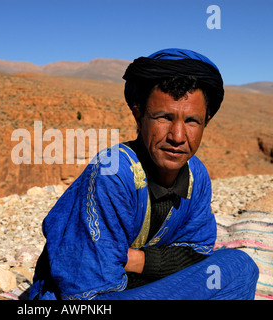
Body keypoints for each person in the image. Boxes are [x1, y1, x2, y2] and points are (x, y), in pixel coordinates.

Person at [29, 48, 259, 300]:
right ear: (139, 116)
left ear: (207, 121)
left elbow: (196, 251)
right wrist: (161, 268)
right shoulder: (113, 173)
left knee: (240, 265)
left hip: (142, 287)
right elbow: (91, 285)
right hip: (91, 299)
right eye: (164, 117)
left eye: (192, 121)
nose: (178, 137)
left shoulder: (196, 175)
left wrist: (133, 259)